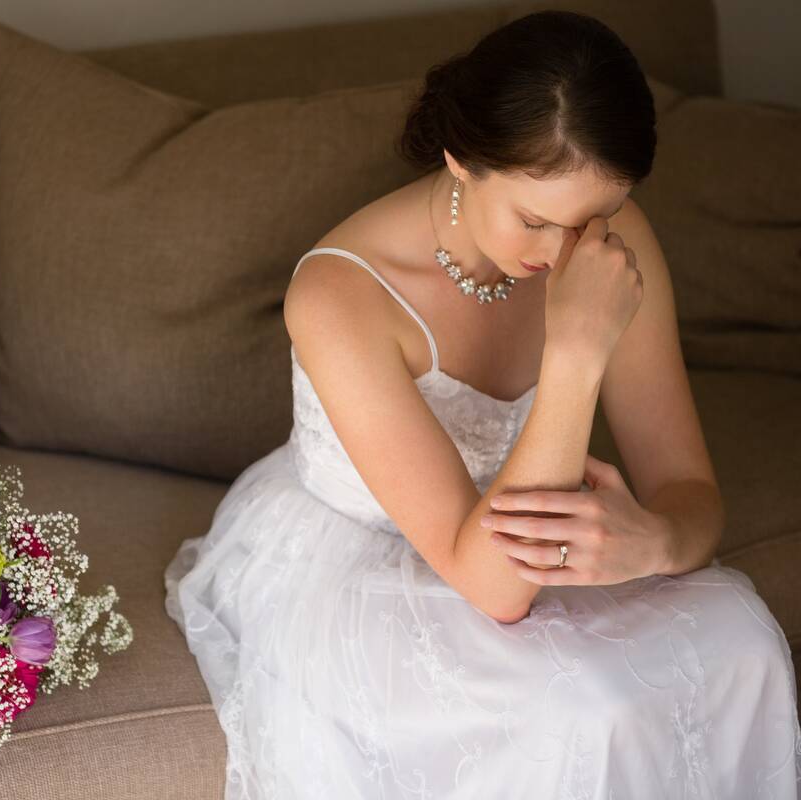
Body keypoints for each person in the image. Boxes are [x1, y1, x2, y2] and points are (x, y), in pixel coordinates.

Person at [163, 9, 801, 798]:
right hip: (373, 561)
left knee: (746, 648)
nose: (560, 255)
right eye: (534, 219)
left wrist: (660, 541)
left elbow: (691, 494)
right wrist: (574, 350)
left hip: (527, 540)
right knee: (583, 711)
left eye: (589, 220)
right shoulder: (338, 295)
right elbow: (494, 589)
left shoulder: (614, 241)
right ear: (461, 160)